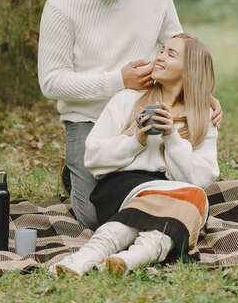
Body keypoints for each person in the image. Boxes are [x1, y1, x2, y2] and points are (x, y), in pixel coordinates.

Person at [38, 0, 222, 229]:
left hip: (146, 106)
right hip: (90, 118)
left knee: (163, 194)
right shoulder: (60, 6)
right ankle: (79, 170)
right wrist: (117, 81)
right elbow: (51, 81)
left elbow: (177, 42)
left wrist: (199, 90)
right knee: (94, 218)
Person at [50, 33, 219, 276]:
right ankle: (126, 257)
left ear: (190, 69)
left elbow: (201, 177)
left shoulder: (203, 116)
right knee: (196, 200)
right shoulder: (128, 99)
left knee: (186, 199)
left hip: (171, 192)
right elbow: (94, 157)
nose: (159, 57)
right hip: (121, 188)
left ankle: (106, 260)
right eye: (162, 50)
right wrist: (136, 140)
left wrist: (172, 135)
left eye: (170, 54)